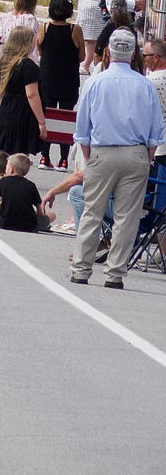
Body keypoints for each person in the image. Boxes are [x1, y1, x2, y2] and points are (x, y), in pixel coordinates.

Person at [69, 27, 166, 289]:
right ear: (134, 52)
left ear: (109, 51)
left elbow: (82, 128)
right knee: (127, 216)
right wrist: (146, 157)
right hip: (136, 153)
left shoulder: (95, 82)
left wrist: (88, 157)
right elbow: (156, 130)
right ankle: (114, 274)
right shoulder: (145, 85)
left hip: (103, 151)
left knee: (92, 211)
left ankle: (81, 268)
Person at [36, 0, 85, 166]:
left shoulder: (45, 27)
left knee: (47, 115)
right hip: (68, 80)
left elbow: (40, 50)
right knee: (65, 118)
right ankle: (63, 159)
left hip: (48, 78)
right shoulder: (75, 30)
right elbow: (82, 56)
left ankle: (44, 156)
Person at [0, 27, 46, 158]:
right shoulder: (29, 66)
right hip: (22, 116)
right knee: (19, 158)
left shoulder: (4, 63)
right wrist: (41, 122)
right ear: (27, 43)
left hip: (6, 112)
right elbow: (32, 94)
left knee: (2, 156)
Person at [0, 153, 52, 232]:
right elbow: (40, 212)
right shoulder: (31, 185)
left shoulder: (3, 181)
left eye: (7, 166)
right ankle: (40, 226)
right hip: (28, 225)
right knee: (48, 217)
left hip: (5, 223)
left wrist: (5, 206)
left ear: (11, 169)